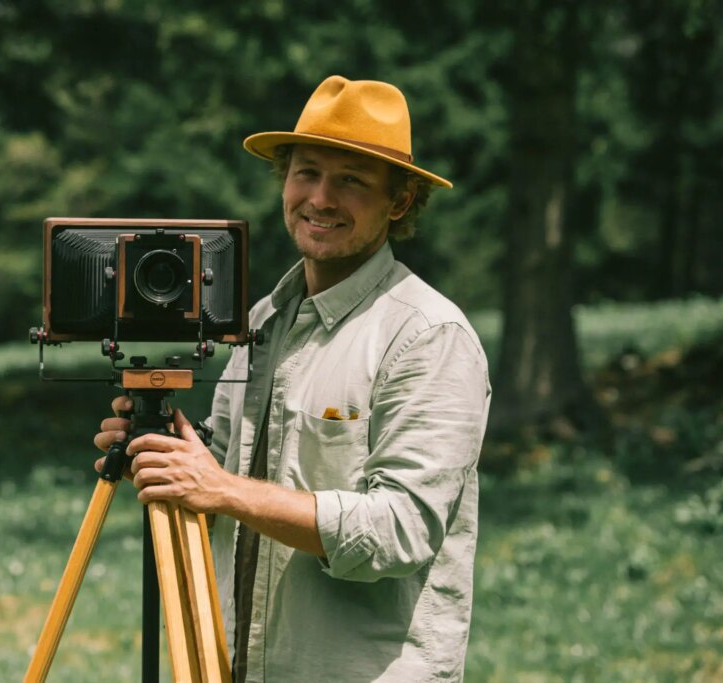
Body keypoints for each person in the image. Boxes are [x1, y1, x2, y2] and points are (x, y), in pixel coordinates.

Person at [94, 75, 491, 682]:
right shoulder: (265, 320)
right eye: (306, 172)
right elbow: (225, 470)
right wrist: (169, 451)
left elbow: (399, 530)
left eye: (351, 180)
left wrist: (221, 488)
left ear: (400, 201)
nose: (320, 198)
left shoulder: (429, 337)